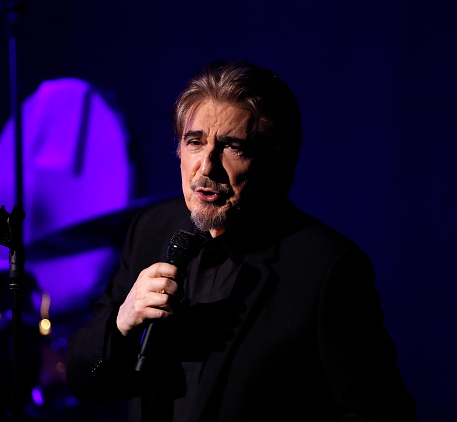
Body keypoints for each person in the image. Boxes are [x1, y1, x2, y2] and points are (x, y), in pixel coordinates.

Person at [66, 61, 417, 421]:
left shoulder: (326, 268)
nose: (206, 167)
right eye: (194, 142)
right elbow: (84, 382)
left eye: (233, 147)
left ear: (276, 163)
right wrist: (122, 322)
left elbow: (379, 411)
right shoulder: (152, 229)